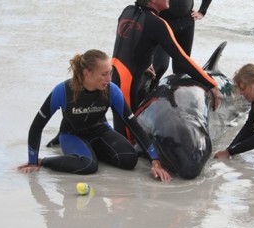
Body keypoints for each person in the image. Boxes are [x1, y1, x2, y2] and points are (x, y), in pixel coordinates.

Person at [18, 49, 171, 182]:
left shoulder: (112, 90)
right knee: (88, 166)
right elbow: (36, 126)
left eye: (110, 73)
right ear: (87, 73)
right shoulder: (63, 91)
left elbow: (134, 126)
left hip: (100, 131)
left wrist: (155, 161)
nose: (109, 79)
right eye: (104, 74)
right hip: (72, 135)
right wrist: (33, 162)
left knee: (129, 159)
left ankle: (90, 151)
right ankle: (44, 161)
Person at [112, 0, 220, 139]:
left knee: (124, 132)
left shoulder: (128, 11)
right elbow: (182, 60)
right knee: (129, 145)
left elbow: (131, 41)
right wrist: (210, 83)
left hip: (113, 80)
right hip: (128, 87)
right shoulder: (158, 24)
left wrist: (144, 61)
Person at [138, 0, 216, 88]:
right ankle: (145, 97)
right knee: (159, 66)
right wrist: (147, 16)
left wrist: (202, 11)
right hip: (162, 23)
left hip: (186, 23)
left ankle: (176, 101)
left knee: (182, 69)